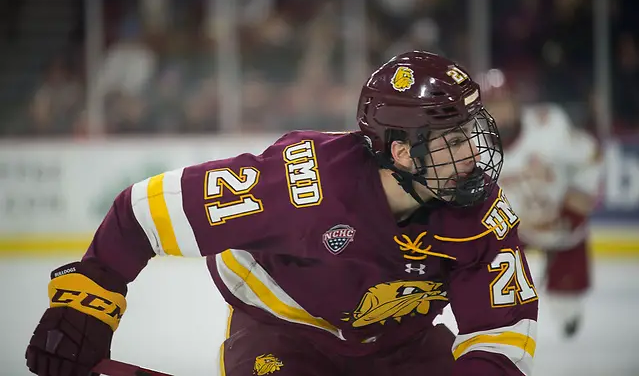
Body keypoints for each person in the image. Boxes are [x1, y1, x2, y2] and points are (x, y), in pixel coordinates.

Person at [26, 52, 538, 376]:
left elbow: (502, 332)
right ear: (401, 152)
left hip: (401, 346)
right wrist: (87, 301)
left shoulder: (482, 210)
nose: (473, 153)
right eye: (452, 141)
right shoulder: (304, 183)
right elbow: (142, 213)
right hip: (287, 331)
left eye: (470, 133)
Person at [481, 68, 602, 338]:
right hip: (508, 229)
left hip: (558, 217)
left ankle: (567, 309)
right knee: (485, 288)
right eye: (492, 105)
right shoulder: (471, 145)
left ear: (516, 102)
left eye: (504, 103)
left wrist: (581, 195)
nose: (499, 112)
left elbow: (590, 156)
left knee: (568, 298)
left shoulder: (549, 125)